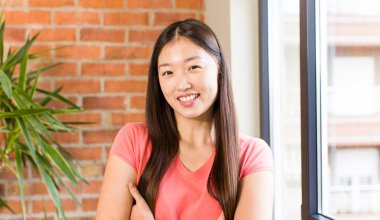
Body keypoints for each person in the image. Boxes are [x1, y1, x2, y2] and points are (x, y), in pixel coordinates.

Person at [96, 18, 273, 220]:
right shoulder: (133, 141)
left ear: (219, 67)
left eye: (193, 67)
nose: (182, 84)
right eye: (168, 72)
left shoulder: (253, 155)